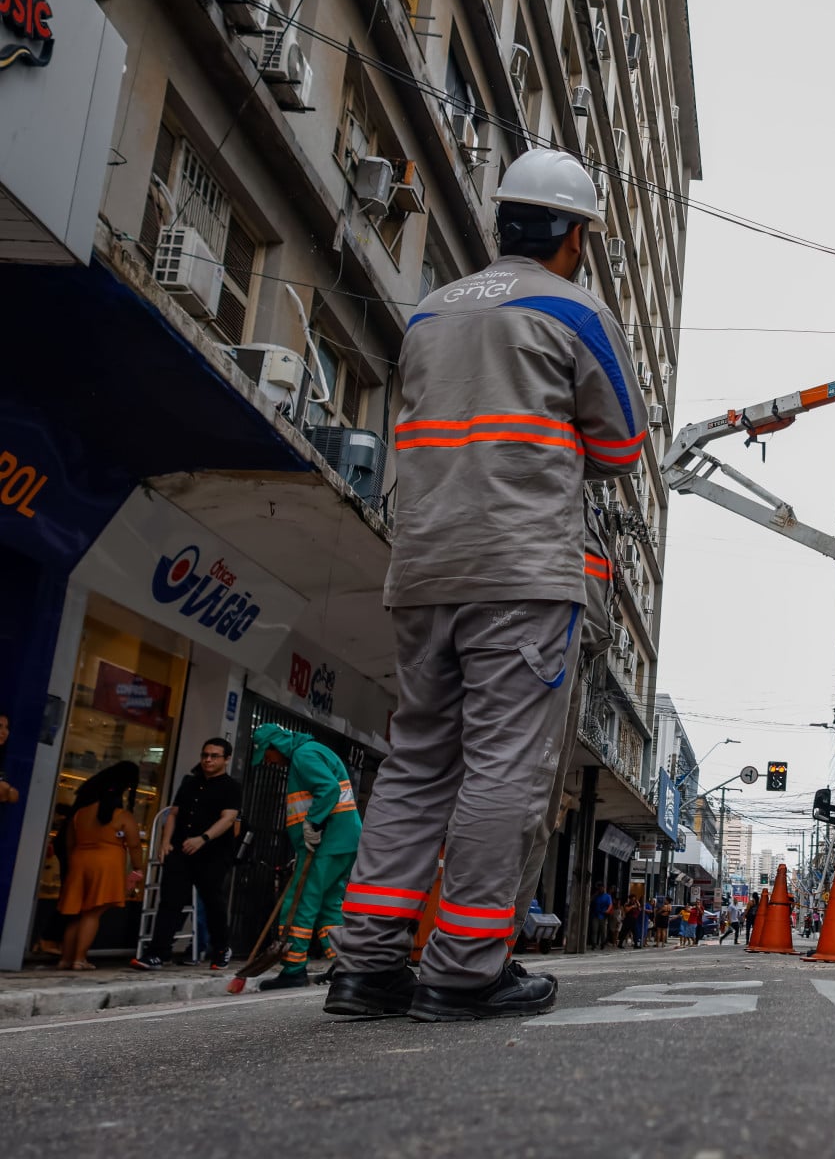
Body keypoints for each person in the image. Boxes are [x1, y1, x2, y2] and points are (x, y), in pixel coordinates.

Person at [324, 149, 643, 1023]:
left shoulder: (431, 310)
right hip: (522, 571)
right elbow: (619, 449)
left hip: (424, 566)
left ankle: (366, 966)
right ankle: (465, 966)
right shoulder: (575, 310)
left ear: (504, 222)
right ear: (573, 236)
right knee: (505, 763)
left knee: (420, 760)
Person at [252, 724, 362, 990]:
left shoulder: (304, 755)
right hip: (342, 842)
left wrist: (312, 824)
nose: (269, 762)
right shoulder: (315, 751)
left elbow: (328, 789)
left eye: (267, 755)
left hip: (326, 844)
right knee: (328, 906)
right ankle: (343, 965)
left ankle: (293, 968)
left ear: (275, 747)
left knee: (299, 904)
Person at [134, 738, 242, 970]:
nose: (208, 760)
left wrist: (203, 839)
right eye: (205, 755)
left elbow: (228, 818)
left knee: (213, 903)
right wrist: (165, 842)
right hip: (181, 850)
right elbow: (173, 814)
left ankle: (221, 948)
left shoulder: (231, 786)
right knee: (170, 902)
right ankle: (157, 953)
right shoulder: (190, 783)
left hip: (212, 854)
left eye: (214, 756)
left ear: (226, 759)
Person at [58, 762, 143, 970]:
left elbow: (69, 843)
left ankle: (65, 959)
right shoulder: (122, 816)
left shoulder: (80, 814)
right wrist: (138, 870)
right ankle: (80, 959)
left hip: (79, 860)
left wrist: (72, 864)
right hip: (107, 863)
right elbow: (134, 846)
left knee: (76, 913)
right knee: (92, 913)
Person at [591, 884, 613, 949]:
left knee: (603, 930)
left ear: (604, 888)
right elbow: (590, 900)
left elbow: (610, 905)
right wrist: (595, 894)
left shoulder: (607, 896)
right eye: (599, 888)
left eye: (602, 888)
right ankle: (594, 944)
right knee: (594, 929)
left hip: (603, 915)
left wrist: (607, 910)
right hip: (596, 915)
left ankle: (603, 943)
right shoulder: (596, 896)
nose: (601, 889)